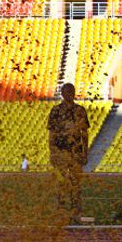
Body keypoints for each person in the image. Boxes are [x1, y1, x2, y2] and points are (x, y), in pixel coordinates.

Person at [47, 83, 89, 223]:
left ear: (74, 93)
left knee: (76, 183)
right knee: (61, 182)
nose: (69, 93)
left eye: (71, 91)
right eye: (66, 91)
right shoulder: (55, 111)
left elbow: (84, 133)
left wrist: (85, 152)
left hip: (76, 152)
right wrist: (52, 151)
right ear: (62, 93)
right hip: (60, 151)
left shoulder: (80, 111)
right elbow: (51, 133)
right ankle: (61, 211)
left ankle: (76, 212)